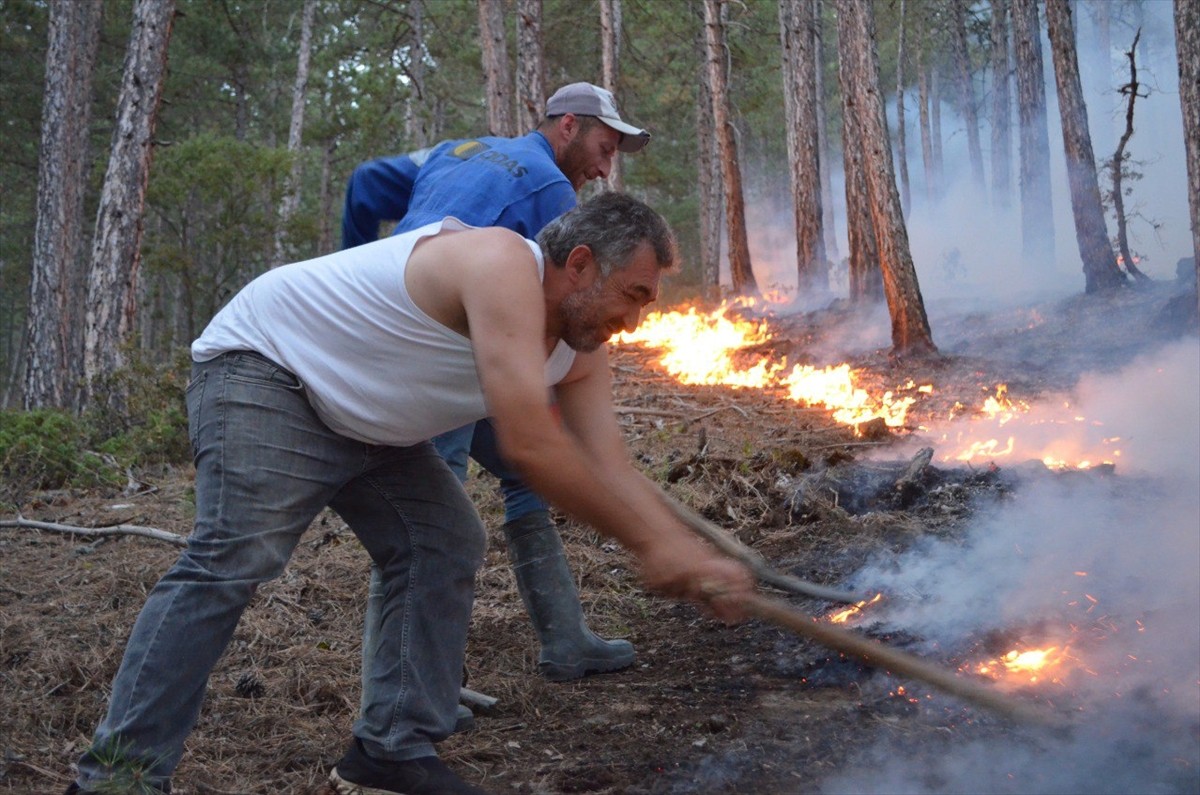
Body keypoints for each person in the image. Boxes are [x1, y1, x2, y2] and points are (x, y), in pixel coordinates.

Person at [66, 193, 755, 795]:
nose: (635, 320)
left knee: (443, 540)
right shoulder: (497, 263)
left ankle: (389, 750)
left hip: (368, 421)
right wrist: (653, 547)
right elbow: (531, 445)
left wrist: (681, 552)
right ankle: (118, 773)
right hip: (271, 369)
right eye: (633, 294)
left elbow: (611, 468)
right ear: (579, 264)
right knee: (233, 556)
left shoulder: (581, 350)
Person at [343, 83, 651, 689]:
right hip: (439, 354)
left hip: (425, 334)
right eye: (603, 146)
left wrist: (355, 269)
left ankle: (565, 641)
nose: (604, 166)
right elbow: (563, 300)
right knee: (428, 519)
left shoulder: (456, 150)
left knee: (522, 471)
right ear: (568, 126)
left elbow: (362, 183)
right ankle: (415, 688)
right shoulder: (554, 192)